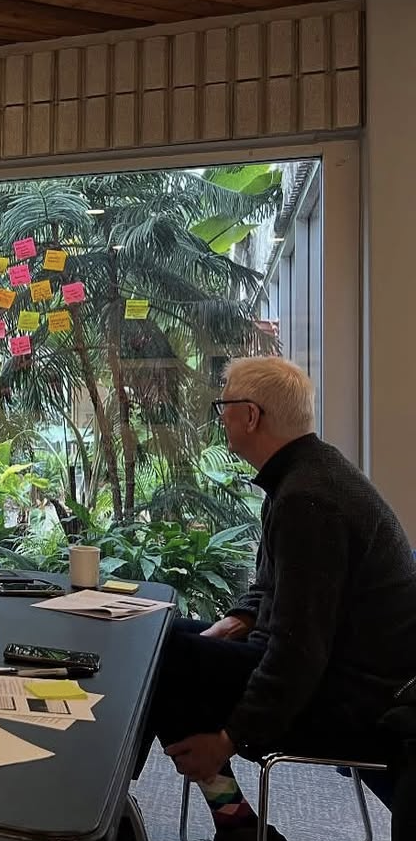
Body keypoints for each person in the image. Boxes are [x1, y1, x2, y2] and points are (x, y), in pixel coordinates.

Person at [137, 356, 416, 841]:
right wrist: (235, 620)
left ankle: (232, 823)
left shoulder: (308, 500)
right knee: (164, 633)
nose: (219, 416)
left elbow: (298, 652)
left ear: (250, 415)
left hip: (352, 699)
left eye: (222, 406)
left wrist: (228, 739)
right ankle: (233, 821)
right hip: (337, 672)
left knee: (164, 653)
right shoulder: (307, 474)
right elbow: (277, 588)